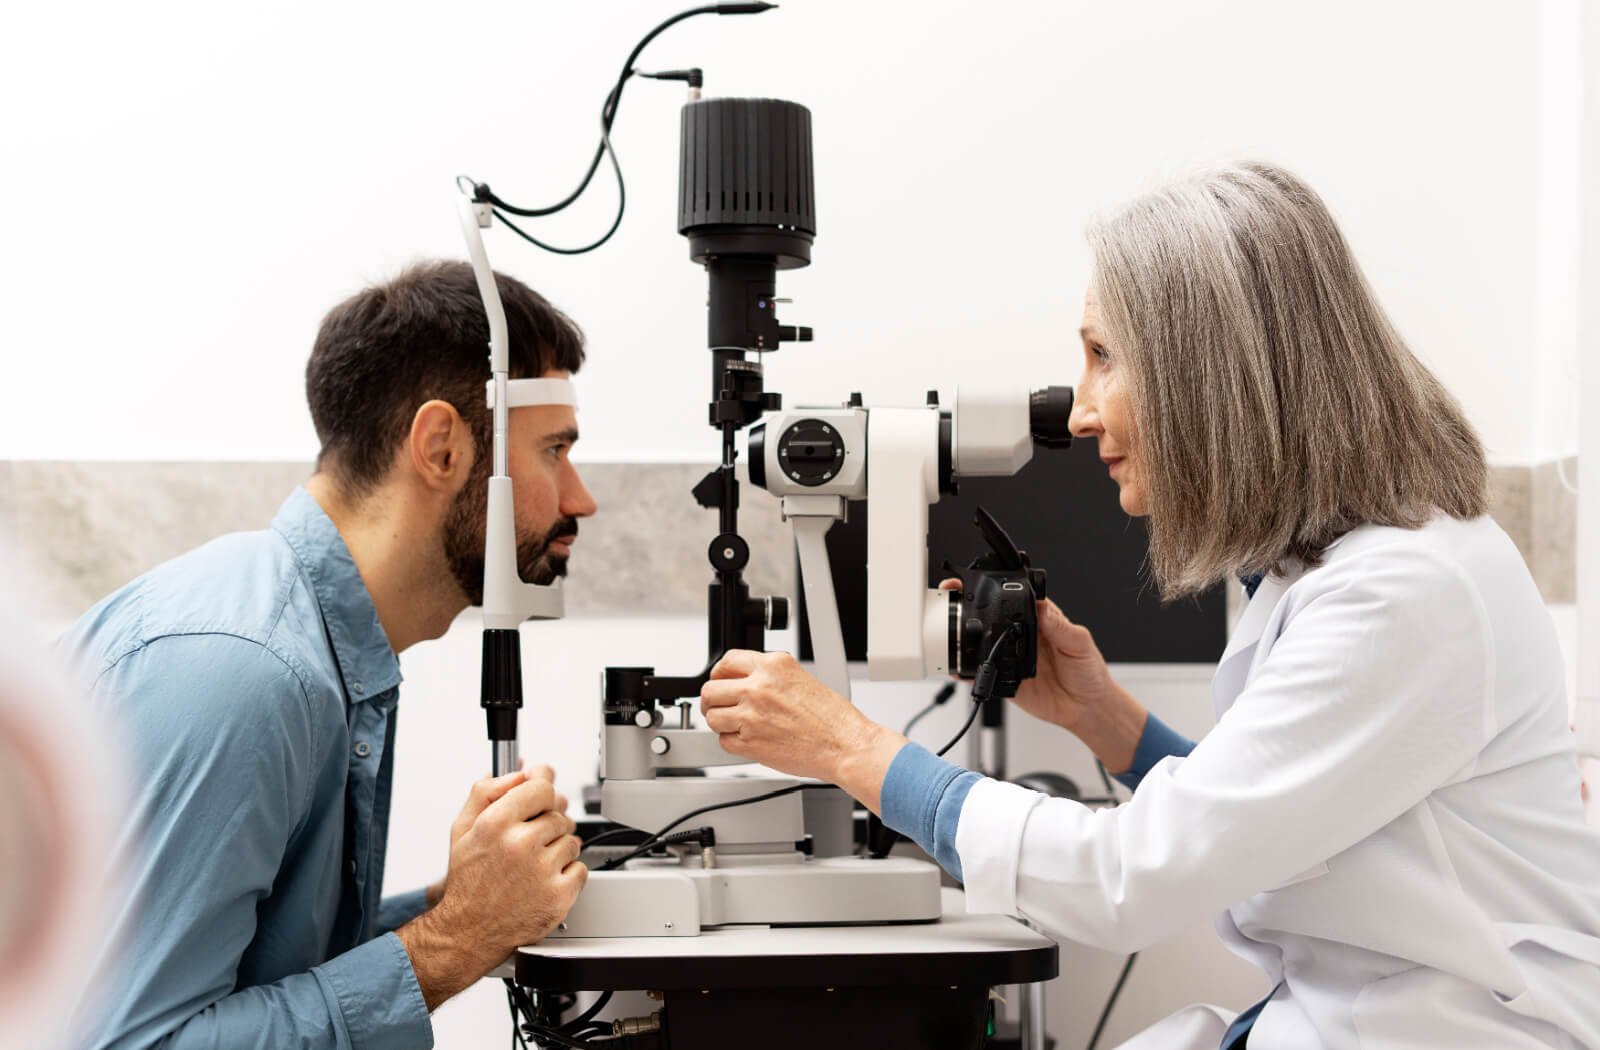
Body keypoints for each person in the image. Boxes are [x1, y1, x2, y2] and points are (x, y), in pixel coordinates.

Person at [698, 163, 1600, 1049]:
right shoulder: (1343, 569)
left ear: (1206, 371)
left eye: (1102, 357)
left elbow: (1127, 880)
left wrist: (850, 747)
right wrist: (1105, 720)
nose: (1082, 413)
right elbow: (1262, 816)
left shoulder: (1406, 596)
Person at [62, 260, 597, 1049]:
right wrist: (456, 939)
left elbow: (257, 972)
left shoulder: (327, 657)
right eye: (554, 451)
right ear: (442, 448)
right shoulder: (245, 672)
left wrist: (455, 906)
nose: (579, 497)